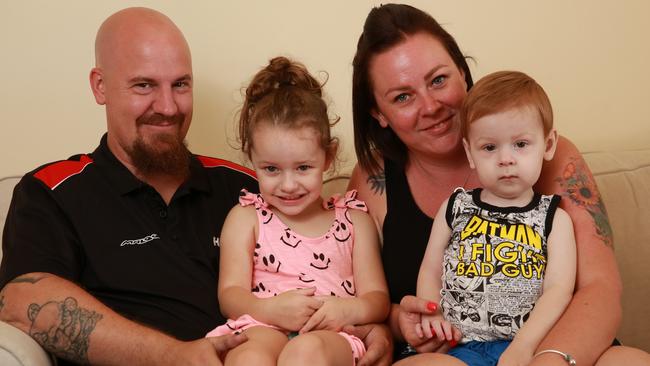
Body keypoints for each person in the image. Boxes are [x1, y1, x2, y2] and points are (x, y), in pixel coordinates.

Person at [0, 7, 392, 366]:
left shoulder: (246, 187)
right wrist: (175, 356)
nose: (168, 106)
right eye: (143, 86)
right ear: (100, 86)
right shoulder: (54, 192)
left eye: (181, 84)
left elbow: (334, 269)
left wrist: (373, 330)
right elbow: (21, 301)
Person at [347, 3, 650, 365]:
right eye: (402, 96)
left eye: (439, 79)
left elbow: (600, 289)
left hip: (556, 346)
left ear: (462, 72)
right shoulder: (373, 179)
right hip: (455, 353)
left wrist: (547, 357)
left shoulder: (551, 158)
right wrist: (397, 323)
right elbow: (357, 301)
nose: (430, 106)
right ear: (378, 113)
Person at [205, 56, 390, 366]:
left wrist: (347, 310)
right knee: (248, 358)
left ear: (328, 156)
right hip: (264, 324)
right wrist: (269, 309)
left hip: (331, 332)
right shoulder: (246, 218)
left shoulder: (355, 220)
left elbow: (377, 299)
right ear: (251, 157)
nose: (288, 185)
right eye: (272, 169)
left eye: (303, 167)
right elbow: (230, 294)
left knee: (304, 354)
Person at [415, 71, 576, 365]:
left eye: (521, 144)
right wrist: (433, 314)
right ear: (470, 153)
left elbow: (558, 290)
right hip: (457, 347)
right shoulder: (454, 207)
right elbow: (430, 271)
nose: (506, 159)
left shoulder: (554, 218)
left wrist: (524, 346)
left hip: (525, 346)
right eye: (490, 147)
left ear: (548, 144)